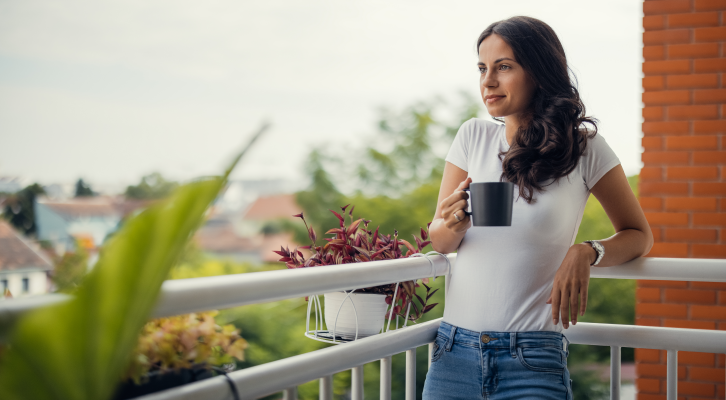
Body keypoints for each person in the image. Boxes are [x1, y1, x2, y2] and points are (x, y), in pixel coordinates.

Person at [423, 16, 653, 400]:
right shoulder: (472, 136)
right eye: (482, 68)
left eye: (504, 67)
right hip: (454, 354)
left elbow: (639, 235)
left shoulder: (584, 148)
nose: (488, 81)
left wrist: (587, 252)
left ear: (539, 71)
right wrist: (453, 223)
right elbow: (440, 241)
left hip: (532, 360)